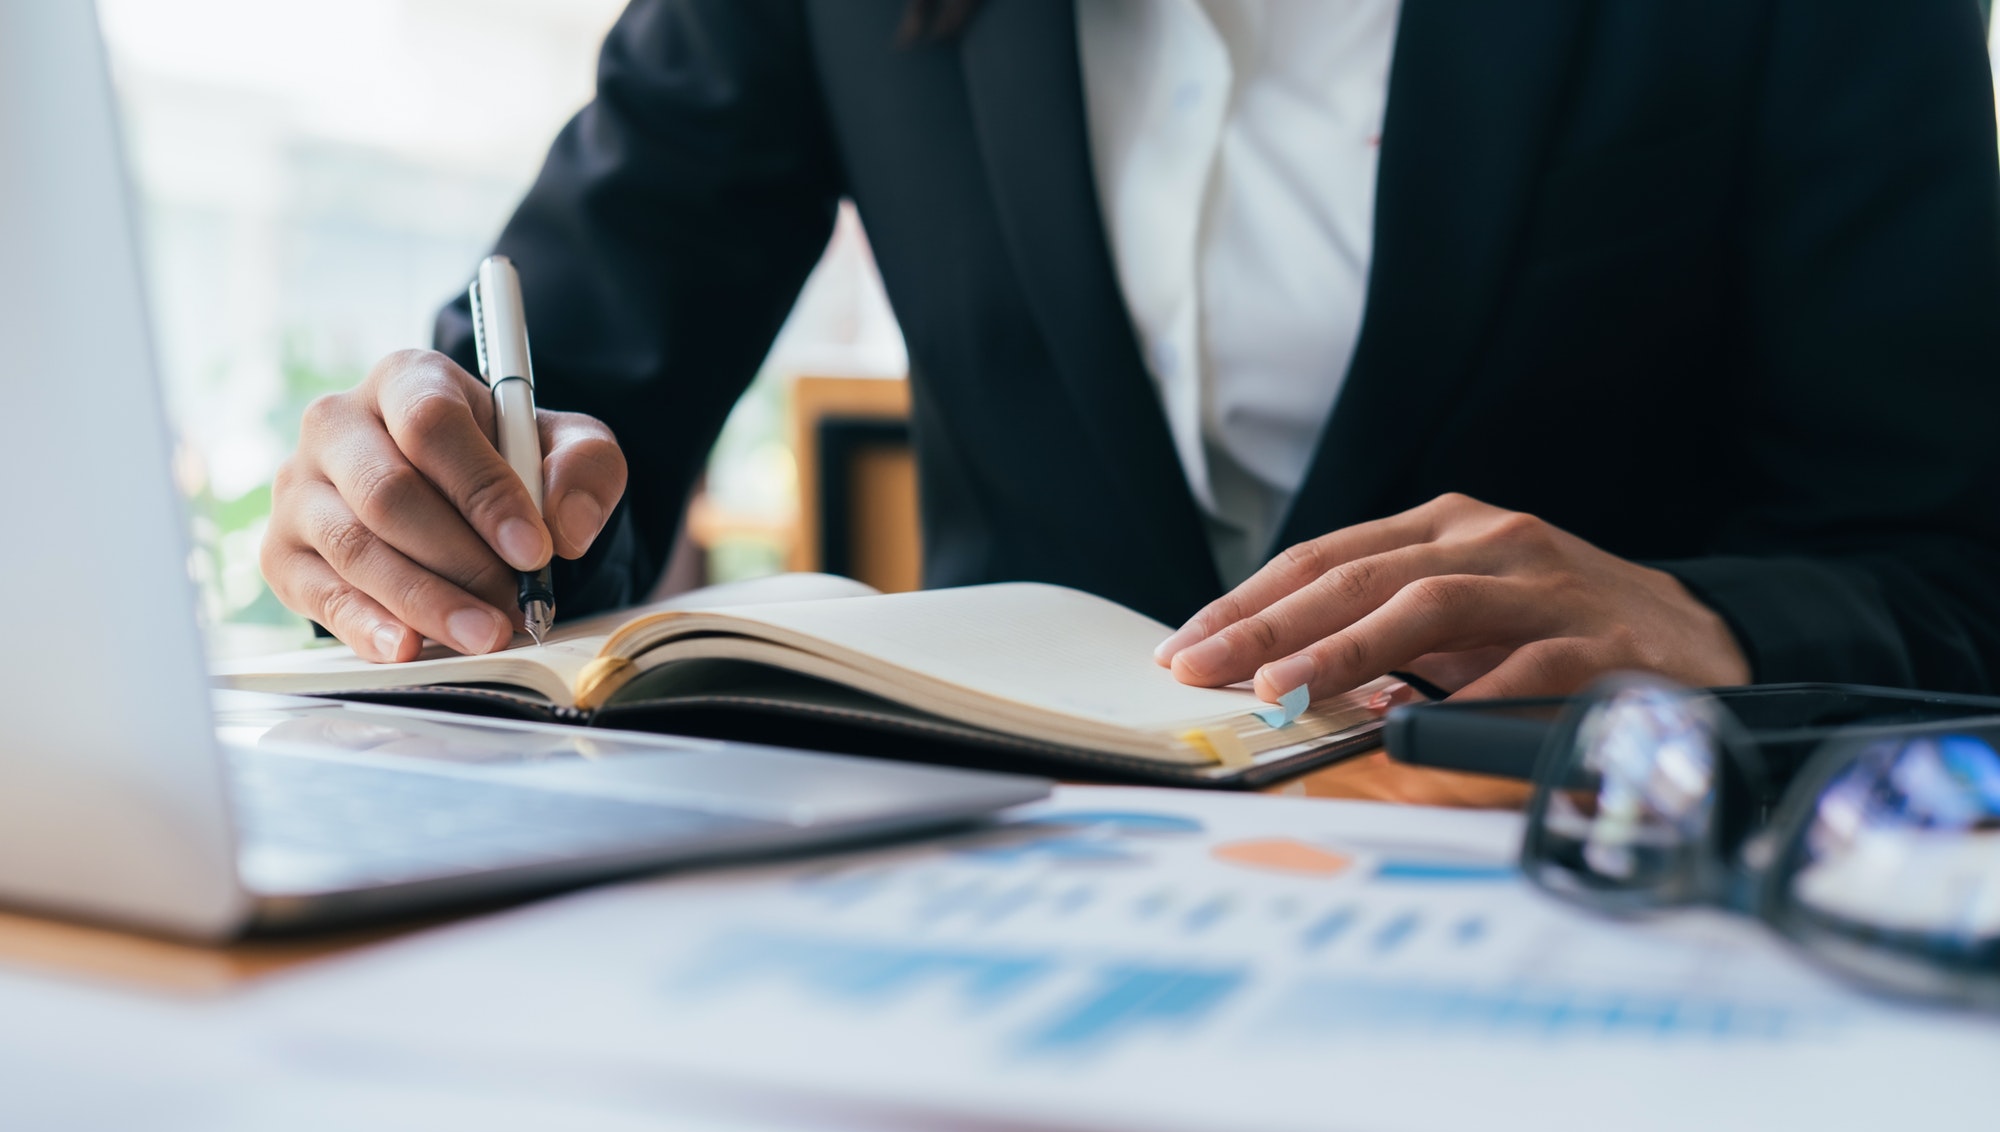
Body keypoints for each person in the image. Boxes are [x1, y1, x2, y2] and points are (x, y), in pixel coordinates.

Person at [262, 0, 2000, 709]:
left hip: (1588, 912)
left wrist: (1715, 619)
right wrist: (427, 507)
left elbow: (1954, 565)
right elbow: (560, 400)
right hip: (992, 920)